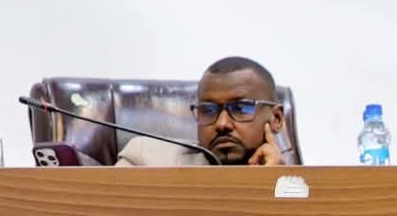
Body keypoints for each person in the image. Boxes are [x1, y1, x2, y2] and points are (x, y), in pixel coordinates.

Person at [116, 56, 290, 166]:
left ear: (276, 119)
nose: (222, 124)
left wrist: (275, 182)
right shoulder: (146, 159)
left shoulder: (294, 184)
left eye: (240, 108)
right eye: (208, 110)